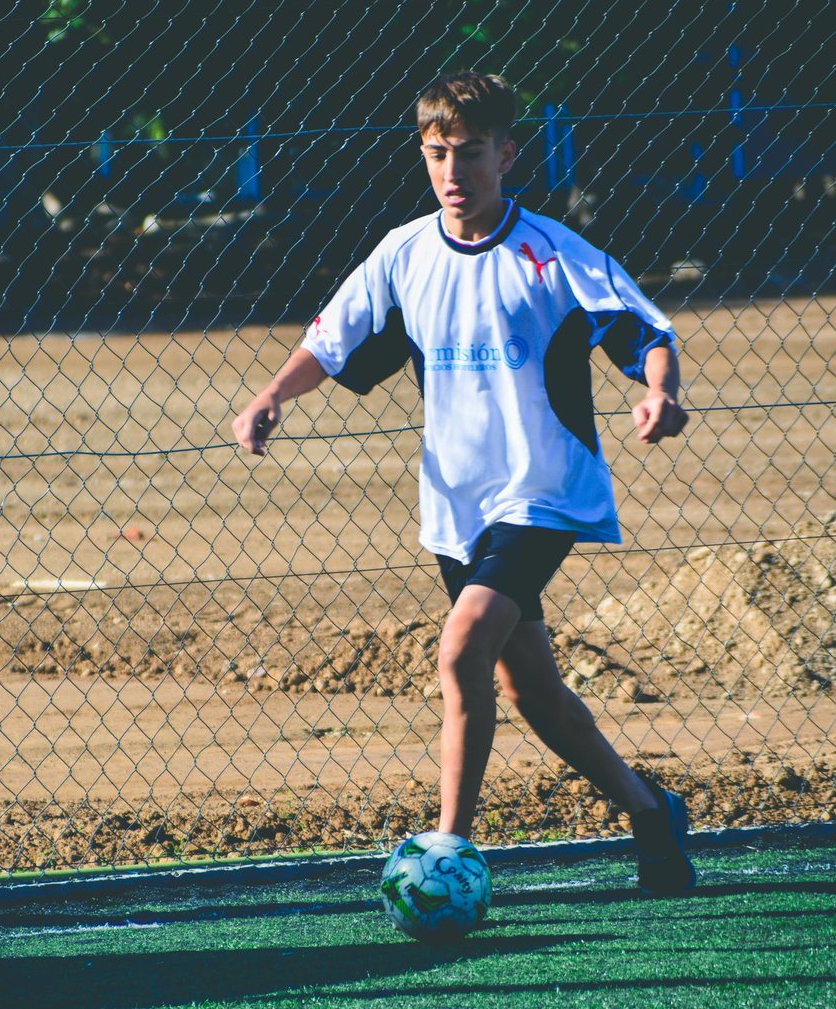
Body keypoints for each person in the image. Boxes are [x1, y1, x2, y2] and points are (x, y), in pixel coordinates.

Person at [233, 71, 696, 895]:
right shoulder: (404, 253)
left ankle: (448, 852)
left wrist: (657, 390)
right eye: (438, 153)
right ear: (423, 152)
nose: (454, 172)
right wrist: (273, 393)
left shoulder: (550, 250)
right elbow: (331, 343)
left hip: (544, 490)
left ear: (507, 155)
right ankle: (649, 812)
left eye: (471, 154)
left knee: (460, 649)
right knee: (530, 689)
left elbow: (641, 327)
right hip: (456, 508)